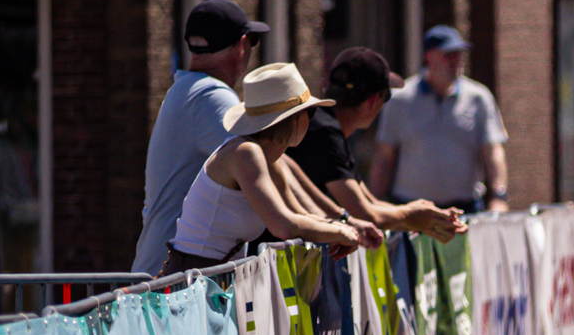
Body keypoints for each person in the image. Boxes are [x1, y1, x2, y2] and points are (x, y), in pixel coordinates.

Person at [163, 62, 374, 273]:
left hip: (209, 278)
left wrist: (343, 228)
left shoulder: (265, 157)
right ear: (293, 120)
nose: (314, 119)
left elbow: (300, 214)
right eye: (310, 112)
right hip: (193, 282)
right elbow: (284, 226)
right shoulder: (246, 153)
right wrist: (341, 234)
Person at [133, 0, 267, 274]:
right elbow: (265, 165)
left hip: (169, 281)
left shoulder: (187, 89)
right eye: (253, 41)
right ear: (241, 46)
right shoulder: (211, 96)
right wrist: (325, 219)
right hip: (171, 287)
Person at [292, 49, 468, 242]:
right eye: (386, 97)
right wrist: (413, 216)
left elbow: (370, 202)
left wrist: (429, 218)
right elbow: (365, 214)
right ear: (373, 99)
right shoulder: (326, 133)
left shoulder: (328, 127)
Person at [371, 26, 508, 215]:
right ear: (429, 56)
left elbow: (492, 151)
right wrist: (374, 204)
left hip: (464, 208)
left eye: (458, 54)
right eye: (448, 54)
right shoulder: (400, 100)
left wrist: (499, 196)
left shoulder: (479, 97)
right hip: (411, 210)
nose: (455, 61)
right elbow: (384, 156)